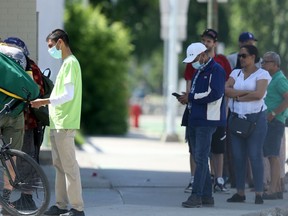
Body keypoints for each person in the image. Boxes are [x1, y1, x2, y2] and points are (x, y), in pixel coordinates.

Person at [30, 29, 85, 216]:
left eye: (51, 45)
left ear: (60, 42)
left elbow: (68, 95)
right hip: (58, 123)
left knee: (69, 167)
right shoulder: (66, 64)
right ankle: (61, 205)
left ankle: (77, 209)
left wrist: (43, 102)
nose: (50, 49)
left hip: (65, 123)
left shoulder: (70, 63)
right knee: (60, 167)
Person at [178, 29, 231, 194]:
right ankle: (207, 196)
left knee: (202, 158)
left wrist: (191, 98)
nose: (193, 63)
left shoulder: (217, 70)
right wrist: (188, 98)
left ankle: (197, 195)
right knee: (199, 157)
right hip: (196, 118)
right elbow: (194, 91)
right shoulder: (198, 70)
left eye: (194, 59)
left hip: (208, 119)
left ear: (201, 55)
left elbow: (215, 94)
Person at [225, 45, 271, 204]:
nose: (241, 59)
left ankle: (259, 193)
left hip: (256, 120)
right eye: (240, 56)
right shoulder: (235, 73)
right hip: (237, 119)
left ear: (253, 57)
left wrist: (236, 95)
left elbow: (259, 95)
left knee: (255, 155)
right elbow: (226, 90)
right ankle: (240, 192)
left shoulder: (262, 74)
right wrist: (244, 94)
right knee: (238, 156)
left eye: (244, 56)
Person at [3, 36, 45, 209]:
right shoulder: (30, 65)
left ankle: (21, 199)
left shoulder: (3, 62)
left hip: (9, 114)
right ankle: (13, 199)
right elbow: (38, 91)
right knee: (19, 157)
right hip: (24, 119)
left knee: (13, 158)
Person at [261, 51, 288, 200]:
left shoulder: (279, 79)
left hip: (275, 121)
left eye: (266, 61)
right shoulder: (272, 78)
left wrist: (273, 113)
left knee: (273, 155)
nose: (263, 64)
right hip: (272, 121)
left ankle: (272, 189)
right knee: (272, 155)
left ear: (275, 64)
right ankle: (276, 188)